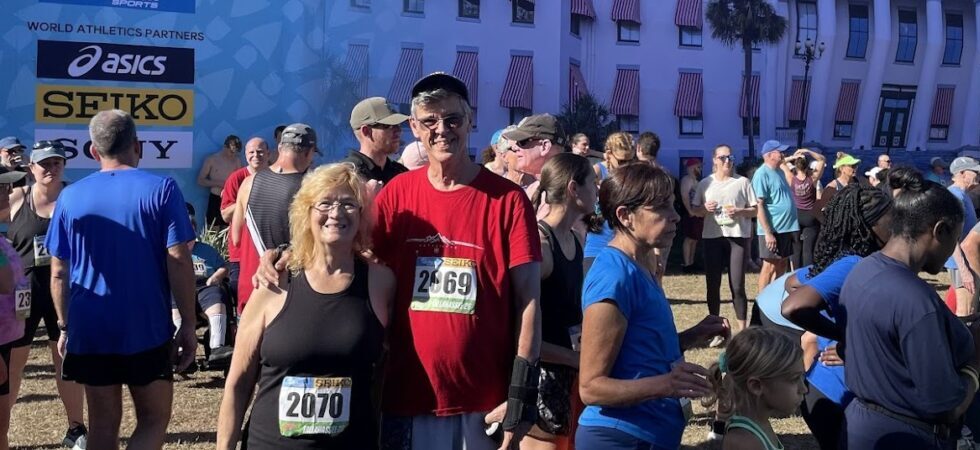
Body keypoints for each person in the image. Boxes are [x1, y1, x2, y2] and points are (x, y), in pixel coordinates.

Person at [46, 109, 197, 450]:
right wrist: (188, 322)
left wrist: (64, 326)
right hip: (145, 325)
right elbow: (178, 257)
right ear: (138, 146)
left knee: (101, 426)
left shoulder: (69, 197)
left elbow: (58, 270)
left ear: (93, 152)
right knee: (154, 419)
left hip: (90, 326)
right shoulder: (163, 189)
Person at [217, 164, 395, 449]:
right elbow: (238, 383)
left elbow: (385, 374)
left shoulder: (381, 283)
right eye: (324, 203)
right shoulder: (274, 281)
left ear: (362, 216)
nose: (336, 213)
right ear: (306, 213)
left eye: (349, 204)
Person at [576, 163, 729, 449]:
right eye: (661, 208)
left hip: (648, 434)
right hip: (619, 438)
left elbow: (640, 353)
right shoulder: (613, 277)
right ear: (625, 216)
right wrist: (667, 385)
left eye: (672, 205)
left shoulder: (642, 263)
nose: (675, 217)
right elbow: (591, 387)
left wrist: (692, 336)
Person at [839, 169, 980, 449]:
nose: (955, 246)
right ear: (939, 230)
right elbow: (946, 406)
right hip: (906, 436)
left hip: (859, 428)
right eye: (954, 236)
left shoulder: (863, 269)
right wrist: (976, 362)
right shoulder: (916, 300)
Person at [781, 183, 894, 450]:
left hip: (829, 389)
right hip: (834, 392)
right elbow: (792, 305)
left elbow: (793, 282)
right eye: (892, 221)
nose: (898, 229)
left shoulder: (849, 262)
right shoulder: (852, 265)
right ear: (870, 226)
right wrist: (845, 335)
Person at [1, 141, 87, 448]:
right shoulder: (17, 196)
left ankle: (76, 429)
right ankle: (2, 430)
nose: (51, 169)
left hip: (65, 291)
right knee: (14, 363)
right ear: (31, 168)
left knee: (66, 359)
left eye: (57, 163)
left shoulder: (76, 198)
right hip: (23, 293)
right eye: (44, 164)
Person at [519, 154, 595, 449]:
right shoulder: (541, 247)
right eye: (594, 184)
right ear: (574, 189)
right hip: (542, 385)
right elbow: (520, 333)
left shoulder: (575, 240)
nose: (597, 192)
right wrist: (575, 359)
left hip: (569, 376)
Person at [231, 124, 317, 313]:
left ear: (279, 148)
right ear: (310, 152)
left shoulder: (248, 182)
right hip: (287, 290)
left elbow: (236, 238)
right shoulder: (311, 188)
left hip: (250, 287)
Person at [703, 328, 806, 450]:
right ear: (756, 386)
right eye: (794, 379)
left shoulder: (760, 424)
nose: (803, 389)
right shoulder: (745, 442)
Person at [692, 145, 757, 334]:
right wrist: (705, 209)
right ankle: (715, 329)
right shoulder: (706, 183)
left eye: (730, 157)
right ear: (714, 160)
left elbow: (755, 210)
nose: (727, 161)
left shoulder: (742, 182)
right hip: (712, 236)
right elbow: (695, 211)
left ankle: (742, 331)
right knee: (713, 284)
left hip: (736, 236)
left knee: (737, 285)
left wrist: (740, 211)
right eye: (722, 158)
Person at [171, 208, 233, 366]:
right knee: (174, 302)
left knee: (217, 298)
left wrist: (216, 276)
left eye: (191, 229)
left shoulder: (205, 250)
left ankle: (216, 348)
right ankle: (181, 352)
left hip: (206, 285)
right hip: (181, 288)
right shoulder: (171, 252)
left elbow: (223, 267)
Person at [220, 137, 270, 305]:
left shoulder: (276, 179)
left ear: (269, 154)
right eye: (251, 152)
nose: (256, 155)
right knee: (242, 296)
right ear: (246, 155)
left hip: (268, 250)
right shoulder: (236, 178)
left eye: (260, 151)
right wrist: (245, 198)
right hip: (241, 251)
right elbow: (225, 215)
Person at [583, 132, 638, 275]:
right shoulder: (597, 172)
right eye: (621, 161)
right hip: (596, 245)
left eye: (630, 161)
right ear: (608, 154)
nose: (625, 166)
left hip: (624, 245)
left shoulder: (632, 175)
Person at [752, 140, 799, 293]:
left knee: (782, 263)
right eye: (780, 152)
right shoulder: (762, 174)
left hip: (786, 227)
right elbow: (759, 205)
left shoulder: (779, 171)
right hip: (773, 229)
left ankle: (774, 296)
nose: (783, 154)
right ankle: (762, 302)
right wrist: (767, 233)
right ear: (770, 155)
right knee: (769, 265)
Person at [343, 97, 410, 186]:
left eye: (398, 124)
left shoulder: (401, 173)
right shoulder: (347, 176)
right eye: (388, 125)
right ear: (366, 131)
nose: (398, 130)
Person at [945, 157, 980, 317]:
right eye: (975, 172)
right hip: (962, 262)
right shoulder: (955, 196)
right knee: (966, 312)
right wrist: (964, 270)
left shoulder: (963, 195)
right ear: (962, 173)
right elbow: (950, 236)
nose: (978, 175)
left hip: (968, 261)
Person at [780, 148, 826, 270]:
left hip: (795, 215)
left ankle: (795, 274)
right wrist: (808, 151)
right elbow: (822, 159)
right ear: (807, 166)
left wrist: (793, 157)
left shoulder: (791, 178)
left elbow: (781, 162)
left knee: (796, 248)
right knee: (808, 249)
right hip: (810, 215)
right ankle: (808, 274)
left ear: (796, 165)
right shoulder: (813, 178)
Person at [504, 113, 568, 199]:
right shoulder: (533, 189)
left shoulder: (569, 190)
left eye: (522, 142)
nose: (515, 147)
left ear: (545, 146)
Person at [0, 235, 24, 450]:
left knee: (2, 424)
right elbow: (6, 281)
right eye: (2, 198)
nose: (8, 199)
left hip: (5, 339)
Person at [197, 135, 243, 228]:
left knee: (227, 230)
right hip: (215, 198)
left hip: (230, 199)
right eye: (231, 152)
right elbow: (200, 180)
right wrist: (219, 184)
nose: (233, 154)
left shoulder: (237, 161)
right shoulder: (212, 160)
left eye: (235, 152)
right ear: (225, 147)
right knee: (213, 230)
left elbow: (240, 181)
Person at [680, 158, 703, 273]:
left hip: (697, 213)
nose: (699, 169)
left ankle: (692, 262)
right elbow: (685, 196)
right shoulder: (687, 179)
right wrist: (690, 211)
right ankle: (686, 263)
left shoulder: (696, 180)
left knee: (695, 239)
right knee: (689, 239)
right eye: (697, 167)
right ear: (691, 167)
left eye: (699, 167)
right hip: (690, 213)